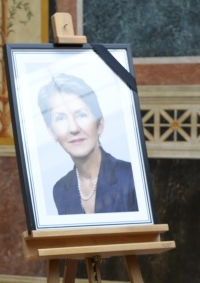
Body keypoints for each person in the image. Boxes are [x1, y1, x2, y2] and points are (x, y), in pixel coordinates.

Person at [37, 73, 138, 215]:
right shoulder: (60, 190)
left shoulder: (131, 177)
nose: (73, 128)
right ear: (52, 133)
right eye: (61, 118)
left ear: (100, 124)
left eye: (81, 114)